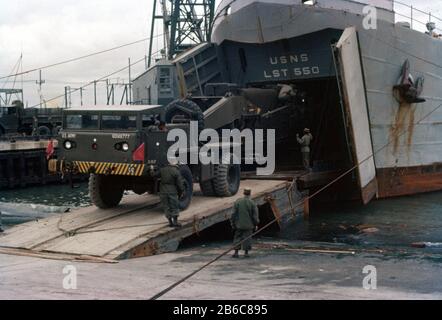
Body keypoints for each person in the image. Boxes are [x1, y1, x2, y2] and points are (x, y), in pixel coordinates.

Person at [230, 188, 260, 258]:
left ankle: (236, 253)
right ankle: (246, 253)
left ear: (243, 193)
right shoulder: (252, 203)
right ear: (250, 194)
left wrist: (233, 224)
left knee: (237, 237)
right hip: (249, 226)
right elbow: (255, 216)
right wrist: (256, 224)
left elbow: (233, 214)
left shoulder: (237, 202)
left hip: (239, 225)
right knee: (247, 238)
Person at [159, 159, 185, 228]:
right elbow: (180, 184)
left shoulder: (162, 170)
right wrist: (182, 191)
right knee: (174, 207)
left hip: (163, 191)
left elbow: (155, 175)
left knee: (166, 207)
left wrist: (151, 170)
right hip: (172, 192)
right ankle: (175, 222)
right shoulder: (176, 171)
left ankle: (170, 222)